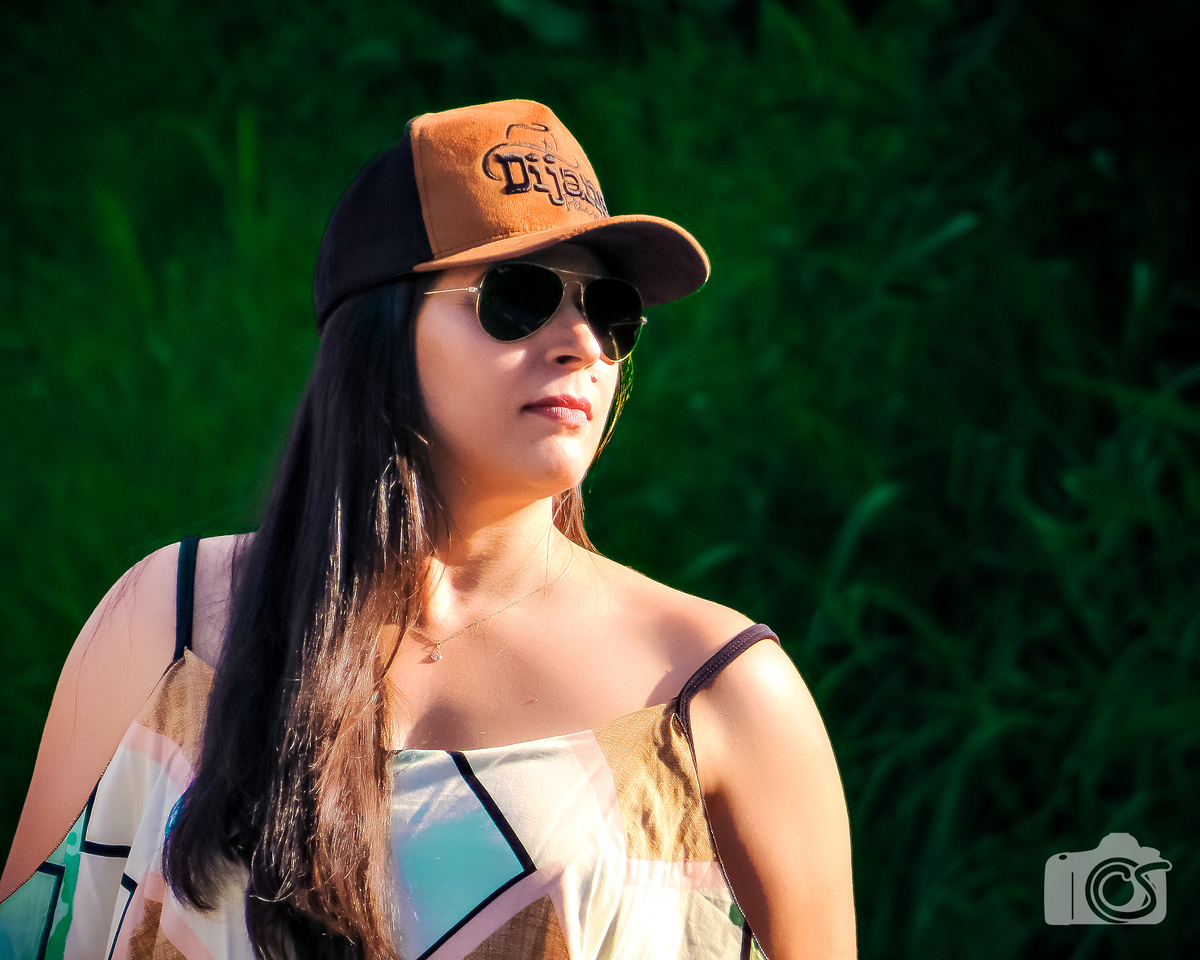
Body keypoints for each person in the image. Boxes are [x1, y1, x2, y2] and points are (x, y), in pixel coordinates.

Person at [0, 100, 855, 960]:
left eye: (610, 310)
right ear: (377, 330)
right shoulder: (172, 619)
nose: (581, 343)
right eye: (518, 297)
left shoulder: (714, 693)